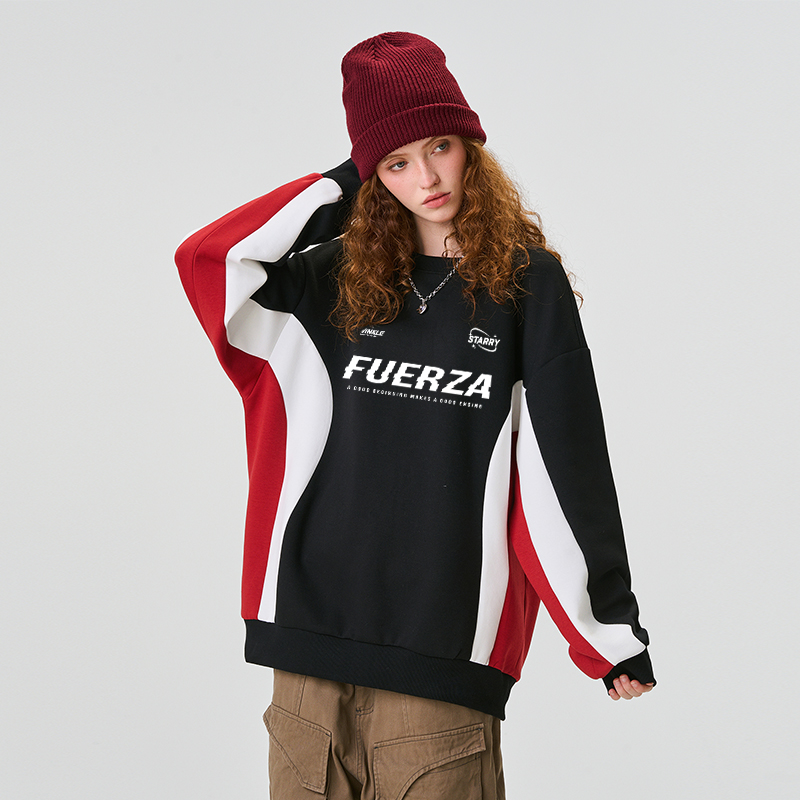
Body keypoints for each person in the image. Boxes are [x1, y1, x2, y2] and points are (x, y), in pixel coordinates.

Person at [175, 31, 655, 800]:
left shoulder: (525, 287)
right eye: (397, 163)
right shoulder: (324, 283)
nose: (426, 177)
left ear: (470, 147)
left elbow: (563, 467)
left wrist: (605, 633)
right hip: (305, 664)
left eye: (439, 146)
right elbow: (210, 259)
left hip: (439, 666)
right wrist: (353, 178)